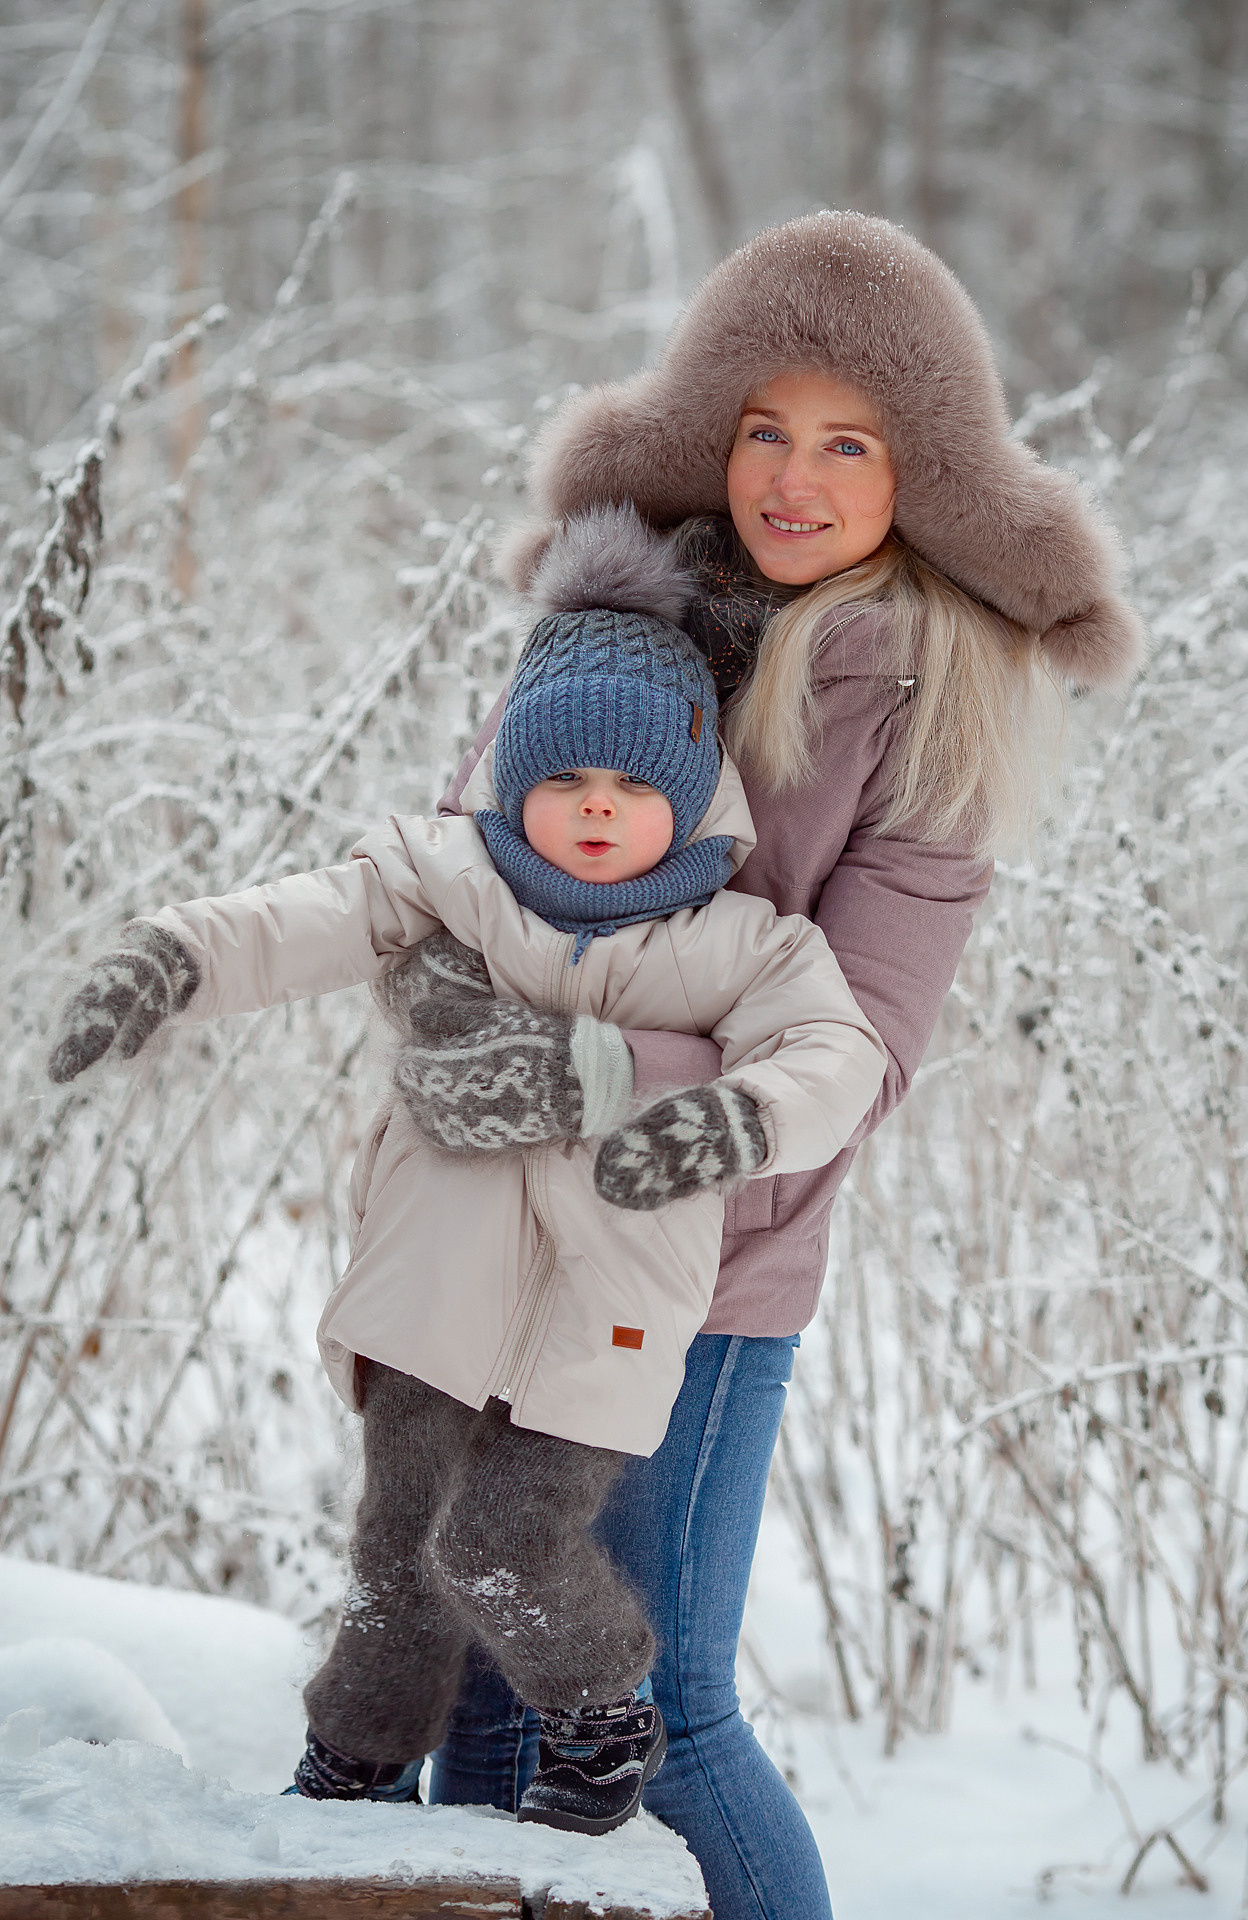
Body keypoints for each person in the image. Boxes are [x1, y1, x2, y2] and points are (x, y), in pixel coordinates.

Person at [410, 212, 1144, 1917]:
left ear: (922, 472)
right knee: (484, 1706)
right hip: (500, 1238)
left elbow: (857, 1050)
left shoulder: (933, 704)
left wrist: (581, 1076)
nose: (792, 479)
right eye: (762, 428)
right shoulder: (614, 622)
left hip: (709, 1265)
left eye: (848, 443)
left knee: (660, 1713)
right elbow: (463, 881)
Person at [44, 508, 887, 1837]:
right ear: (512, 776)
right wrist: (174, 957)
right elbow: (303, 916)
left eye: (633, 787)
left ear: (690, 794)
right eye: (566, 780)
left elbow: (837, 1051)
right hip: (430, 1307)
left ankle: (602, 1715)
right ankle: (353, 1764)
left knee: (497, 1545)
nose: (597, 809)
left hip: (602, 1323)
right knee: (395, 1564)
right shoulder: (450, 879)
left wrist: (737, 1120)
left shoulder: (736, 943)